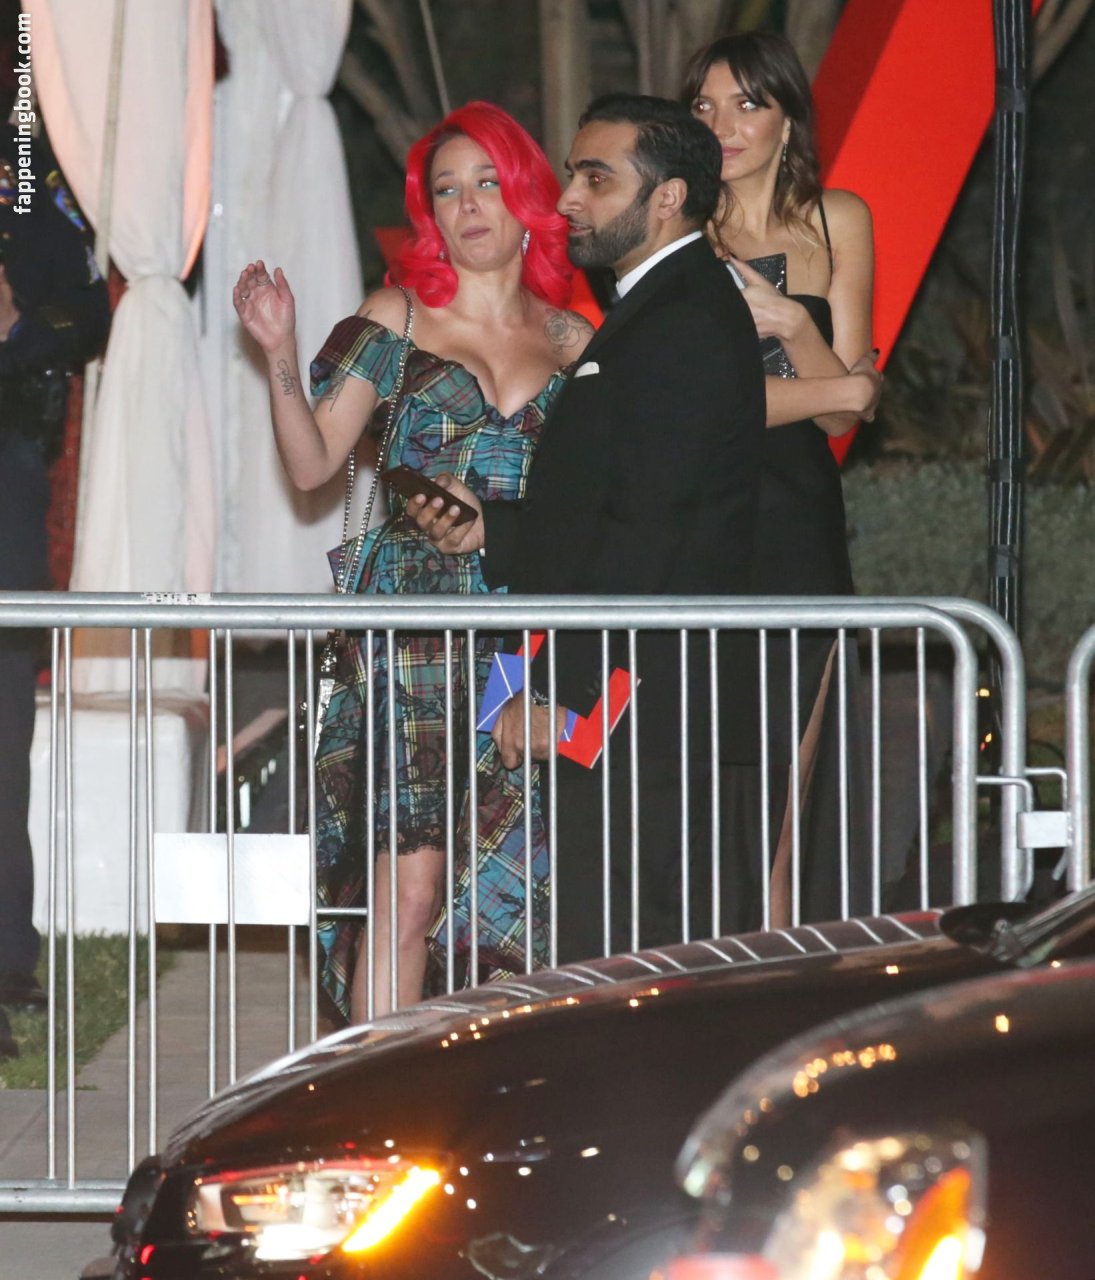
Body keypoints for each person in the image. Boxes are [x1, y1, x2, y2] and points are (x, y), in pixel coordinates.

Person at [234, 102, 591, 1021]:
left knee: (505, 894)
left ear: (526, 196)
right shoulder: (395, 315)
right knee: (410, 892)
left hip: (521, 629)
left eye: (487, 183)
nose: (467, 207)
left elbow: (600, 504)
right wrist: (279, 353)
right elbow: (312, 464)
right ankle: (374, 1094)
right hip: (413, 630)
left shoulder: (575, 342)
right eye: (446, 190)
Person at [410, 94, 767, 962]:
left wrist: (558, 697)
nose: (568, 198)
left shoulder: (680, 319)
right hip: (640, 700)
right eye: (573, 174)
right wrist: (492, 530)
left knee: (629, 959)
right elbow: (609, 503)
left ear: (668, 197)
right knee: (616, 953)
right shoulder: (656, 310)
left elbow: (651, 531)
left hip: (642, 707)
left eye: (596, 179)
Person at [683, 30, 878, 923]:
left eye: (746, 104)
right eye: (703, 106)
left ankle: (770, 968)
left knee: (785, 795)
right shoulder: (672, 225)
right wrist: (836, 385)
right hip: (693, 518)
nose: (723, 125)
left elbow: (844, 417)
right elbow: (693, 407)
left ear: (787, 118)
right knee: (695, 782)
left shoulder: (837, 219)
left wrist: (794, 329)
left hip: (796, 517)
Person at [0, 109, 111, 1056]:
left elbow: (86, 314)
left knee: (2, 740)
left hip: (5, 473)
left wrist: (16, 327)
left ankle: (5, 961)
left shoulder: (24, 193)